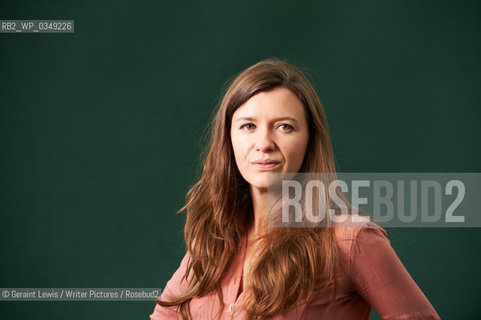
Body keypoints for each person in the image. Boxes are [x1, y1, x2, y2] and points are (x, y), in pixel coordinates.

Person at [149, 58, 440, 319]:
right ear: (228, 139)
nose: (263, 143)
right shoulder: (215, 237)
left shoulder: (350, 239)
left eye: (284, 127)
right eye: (248, 126)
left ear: (310, 139)